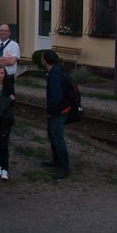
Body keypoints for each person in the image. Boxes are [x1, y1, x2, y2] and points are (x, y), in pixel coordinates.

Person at [41, 49, 70, 179]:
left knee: (57, 138)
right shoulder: (56, 71)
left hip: (59, 111)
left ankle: (64, 167)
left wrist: (50, 112)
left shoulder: (54, 75)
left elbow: (56, 97)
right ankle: (56, 160)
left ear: (45, 60)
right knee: (53, 136)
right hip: (61, 109)